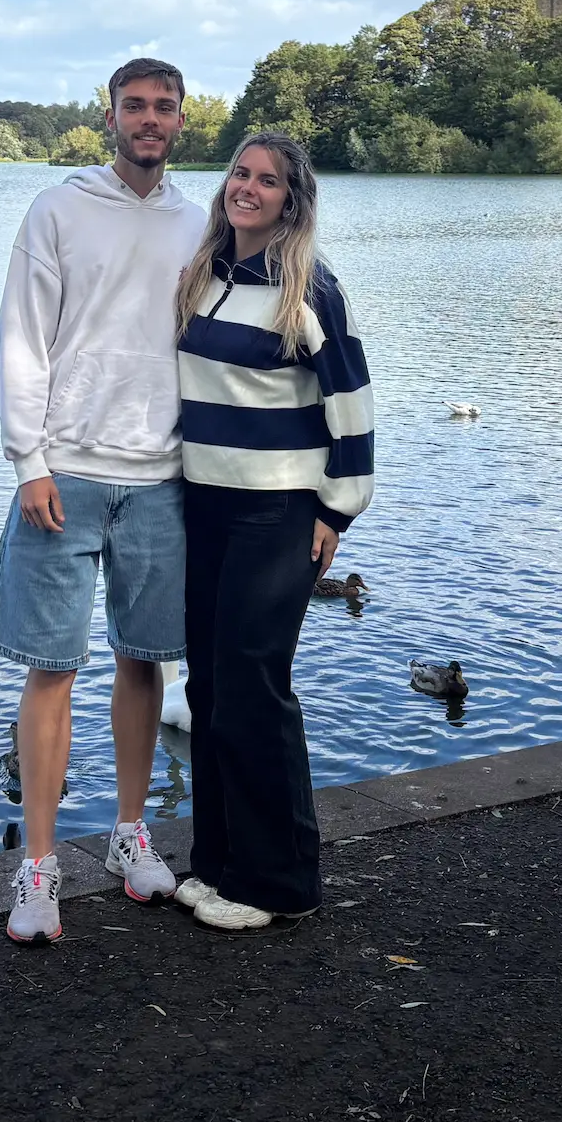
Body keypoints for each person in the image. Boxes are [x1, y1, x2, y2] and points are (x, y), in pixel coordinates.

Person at [0, 58, 201, 944]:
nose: (149, 119)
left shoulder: (198, 223)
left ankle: (128, 832)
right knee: (52, 668)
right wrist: (27, 460)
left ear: (181, 120)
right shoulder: (58, 210)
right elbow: (21, 336)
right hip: (64, 472)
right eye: (134, 105)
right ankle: (38, 865)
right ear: (109, 116)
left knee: (144, 661)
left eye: (164, 107)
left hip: (160, 475)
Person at [171, 129, 372, 931]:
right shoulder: (205, 273)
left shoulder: (310, 287)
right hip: (203, 506)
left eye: (267, 180)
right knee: (210, 688)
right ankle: (219, 863)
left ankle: (282, 883)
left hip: (278, 512)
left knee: (255, 687)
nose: (247, 188)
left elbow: (351, 404)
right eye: (239, 173)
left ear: (292, 200)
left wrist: (336, 509)